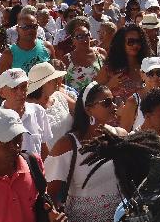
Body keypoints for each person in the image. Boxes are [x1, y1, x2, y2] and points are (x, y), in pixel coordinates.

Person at [44, 81, 124, 222]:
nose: (114, 106)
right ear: (88, 110)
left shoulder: (120, 135)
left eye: (114, 101)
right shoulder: (67, 145)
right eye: (107, 102)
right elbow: (49, 193)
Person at [96, 24, 151, 102]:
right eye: (131, 41)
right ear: (121, 43)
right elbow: (93, 96)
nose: (135, 45)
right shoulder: (110, 68)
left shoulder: (148, 66)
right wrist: (110, 84)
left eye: (138, 41)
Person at [26, 61, 75, 148]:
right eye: (54, 79)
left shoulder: (59, 96)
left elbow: (81, 110)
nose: (58, 81)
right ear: (46, 83)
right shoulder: (27, 109)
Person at [0, 6, 56, 74]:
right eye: (25, 27)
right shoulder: (8, 54)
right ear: (17, 29)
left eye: (33, 27)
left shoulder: (47, 47)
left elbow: (55, 74)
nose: (30, 30)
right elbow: (3, 82)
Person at [119, 56, 160, 129]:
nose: (155, 77)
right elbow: (123, 135)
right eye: (150, 73)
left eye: (159, 73)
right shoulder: (133, 102)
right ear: (142, 75)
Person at [63, 18, 105, 93]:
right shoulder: (66, 59)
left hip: (98, 101)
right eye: (80, 37)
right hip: (76, 102)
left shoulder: (101, 53)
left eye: (87, 35)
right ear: (73, 40)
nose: (85, 40)